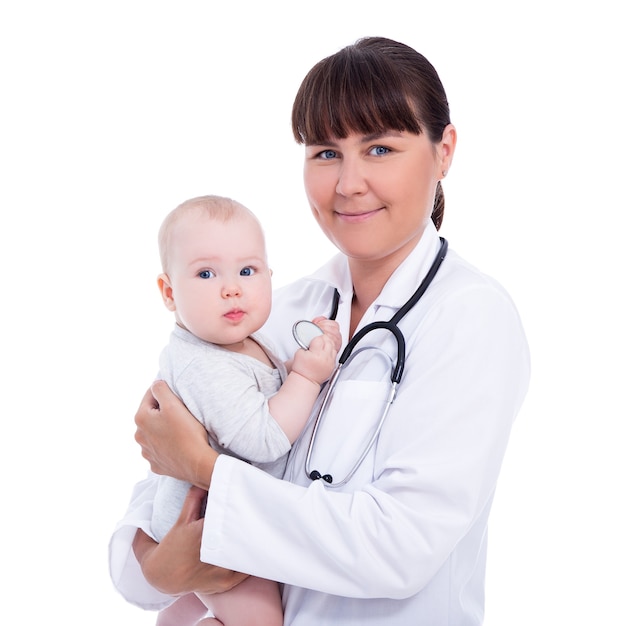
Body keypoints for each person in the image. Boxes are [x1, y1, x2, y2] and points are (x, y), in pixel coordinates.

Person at [109, 36, 531, 626]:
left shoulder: (472, 318)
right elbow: (143, 535)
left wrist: (206, 471)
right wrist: (162, 569)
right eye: (326, 152)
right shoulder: (275, 310)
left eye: (380, 148)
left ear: (444, 152)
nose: (349, 183)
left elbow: (398, 549)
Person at [141, 195, 340, 625]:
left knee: (193, 610)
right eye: (206, 273)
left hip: (224, 522)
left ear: (270, 275)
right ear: (169, 292)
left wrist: (301, 359)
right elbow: (262, 437)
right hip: (212, 532)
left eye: (247, 271)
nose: (231, 287)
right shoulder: (204, 363)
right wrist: (305, 377)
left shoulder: (241, 339)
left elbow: (260, 391)